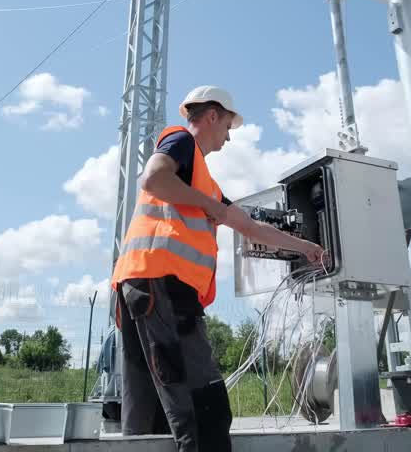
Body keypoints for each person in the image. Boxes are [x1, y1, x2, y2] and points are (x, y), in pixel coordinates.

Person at [111, 85, 324, 452]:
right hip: (164, 282)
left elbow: (250, 227)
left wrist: (305, 248)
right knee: (203, 403)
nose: (228, 136)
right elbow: (154, 179)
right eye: (227, 126)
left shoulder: (203, 180)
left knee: (147, 406)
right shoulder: (181, 143)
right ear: (212, 116)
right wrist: (214, 208)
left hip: (140, 283)